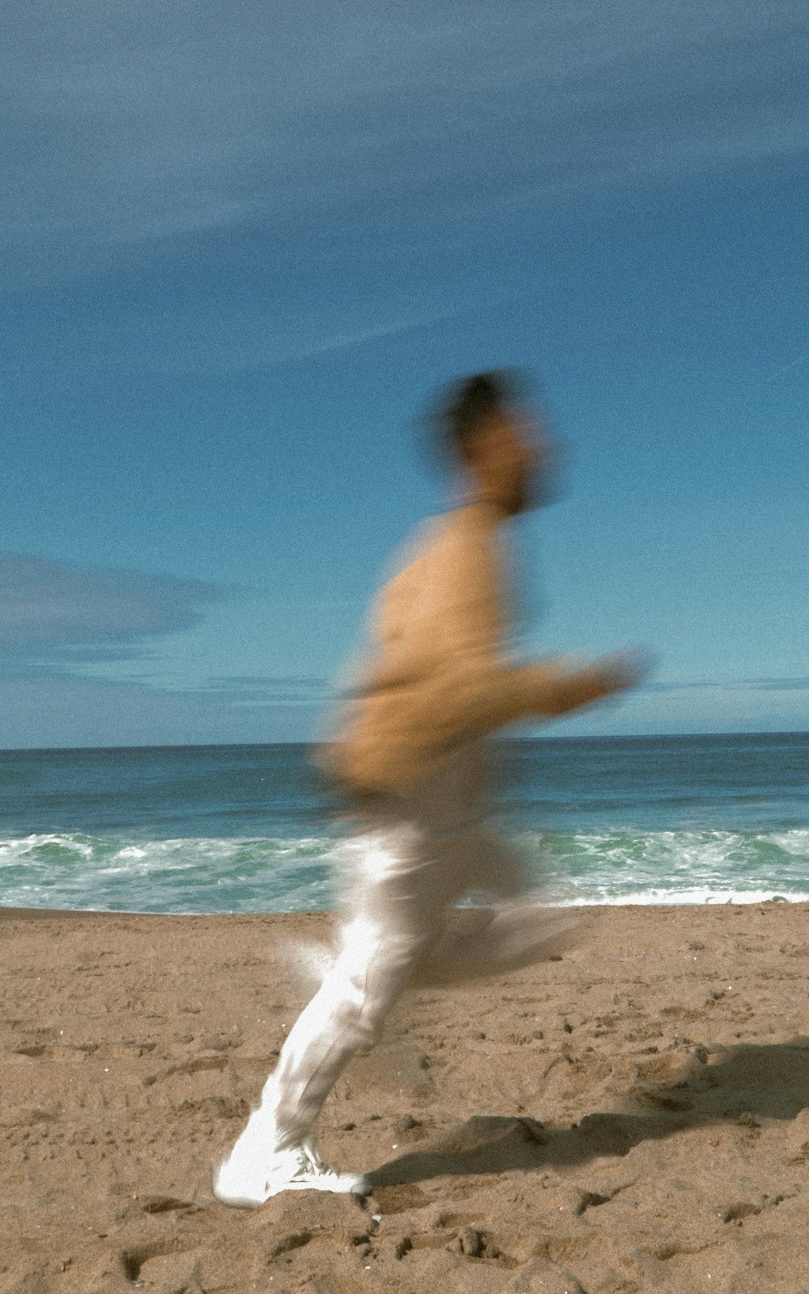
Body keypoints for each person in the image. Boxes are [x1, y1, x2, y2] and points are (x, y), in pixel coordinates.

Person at [213, 370, 644, 1207]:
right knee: (371, 991)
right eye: (526, 433)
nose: (544, 447)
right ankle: (265, 1150)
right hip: (413, 803)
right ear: (480, 451)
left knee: (548, 919)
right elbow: (455, 689)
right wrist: (571, 685)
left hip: (447, 800)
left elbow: (404, 674)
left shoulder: (455, 544)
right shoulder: (462, 549)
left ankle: (357, 973)